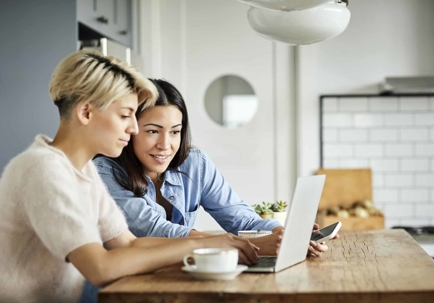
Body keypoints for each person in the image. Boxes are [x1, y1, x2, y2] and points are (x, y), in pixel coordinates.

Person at [0, 51, 258, 303]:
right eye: (125, 115)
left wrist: (211, 244)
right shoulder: (43, 169)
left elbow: (128, 244)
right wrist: (197, 245)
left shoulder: (82, 170)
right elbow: (100, 268)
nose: (134, 128)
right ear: (86, 112)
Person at [94, 78, 335, 257]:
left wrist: (286, 235)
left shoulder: (194, 163)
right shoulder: (105, 171)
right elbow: (153, 230)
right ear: (132, 129)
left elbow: (242, 219)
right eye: (153, 131)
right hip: (120, 288)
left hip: (175, 276)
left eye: (175, 132)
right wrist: (250, 245)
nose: (165, 145)